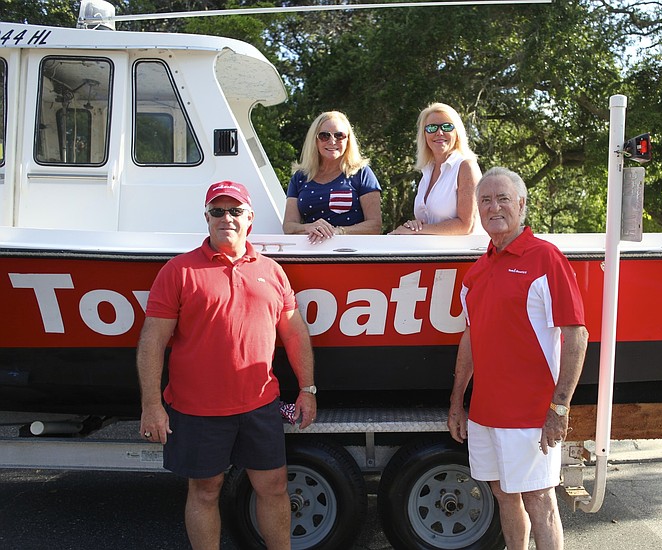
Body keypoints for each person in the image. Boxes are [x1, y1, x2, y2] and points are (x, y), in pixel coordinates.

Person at [138, 180, 316, 550]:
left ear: (250, 218)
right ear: (206, 218)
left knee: (274, 487)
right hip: (196, 409)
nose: (226, 218)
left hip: (259, 404)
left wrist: (307, 388)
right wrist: (152, 406)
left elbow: (295, 334)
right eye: (217, 211)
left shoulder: (272, 270)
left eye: (235, 211)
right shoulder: (178, 271)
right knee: (204, 491)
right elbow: (152, 342)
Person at [447, 167, 588, 550]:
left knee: (539, 500)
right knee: (504, 495)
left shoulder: (546, 258)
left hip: (530, 415)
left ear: (521, 205)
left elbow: (577, 334)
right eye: (486, 200)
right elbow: (471, 338)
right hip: (484, 414)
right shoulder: (476, 271)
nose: (494, 207)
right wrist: (458, 402)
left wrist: (559, 407)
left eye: (503, 198)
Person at [283, 111, 382, 243]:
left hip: (352, 254)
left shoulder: (362, 173)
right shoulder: (300, 177)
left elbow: (375, 226)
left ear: (348, 140)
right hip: (310, 254)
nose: (332, 141)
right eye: (324, 136)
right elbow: (289, 226)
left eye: (339, 135)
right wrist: (309, 228)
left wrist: (339, 232)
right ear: (315, 140)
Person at [389, 103, 482, 235]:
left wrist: (416, 231)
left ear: (457, 133)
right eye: (432, 128)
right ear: (424, 135)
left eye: (447, 126)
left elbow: (466, 225)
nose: (439, 132)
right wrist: (414, 225)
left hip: (462, 254)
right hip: (431, 253)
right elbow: (430, 223)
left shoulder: (466, 167)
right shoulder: (427, 171)